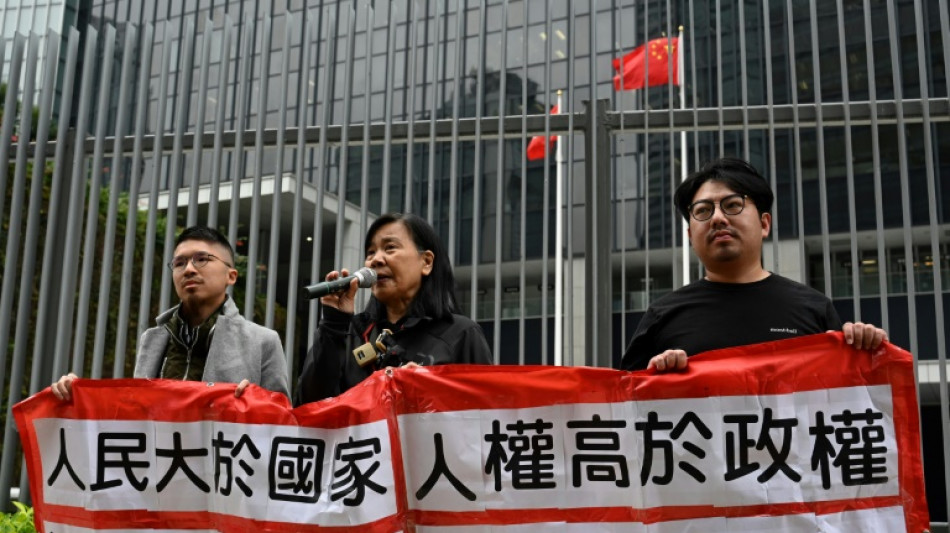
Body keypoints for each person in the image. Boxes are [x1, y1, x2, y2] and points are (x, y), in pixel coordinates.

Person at [620, 157, 887, 372]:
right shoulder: (662, 317)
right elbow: (625, 405)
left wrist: (864, 349)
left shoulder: (813, 310)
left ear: (764, 224)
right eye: (703, 211)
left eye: (732, 205)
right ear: (690, 236)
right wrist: (656, 378)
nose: (718, 218)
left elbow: (846, 395)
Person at [52, 226, 290, 400]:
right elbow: (132, 410)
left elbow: (282, 422)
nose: (189, 269)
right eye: (179, 263)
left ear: (231, 276)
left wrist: (257, 401)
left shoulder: (263, 342)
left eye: (202, 259)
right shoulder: (153, 338)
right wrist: (79, 394)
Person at [295, 212, 492, 405]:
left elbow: (486, 410)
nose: (375, 260)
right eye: (371, 252)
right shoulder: (349, 332)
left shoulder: (461, 334)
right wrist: (333, 323)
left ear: (426, 262)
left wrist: (429, 391)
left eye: (390, 248)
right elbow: (308, 407)